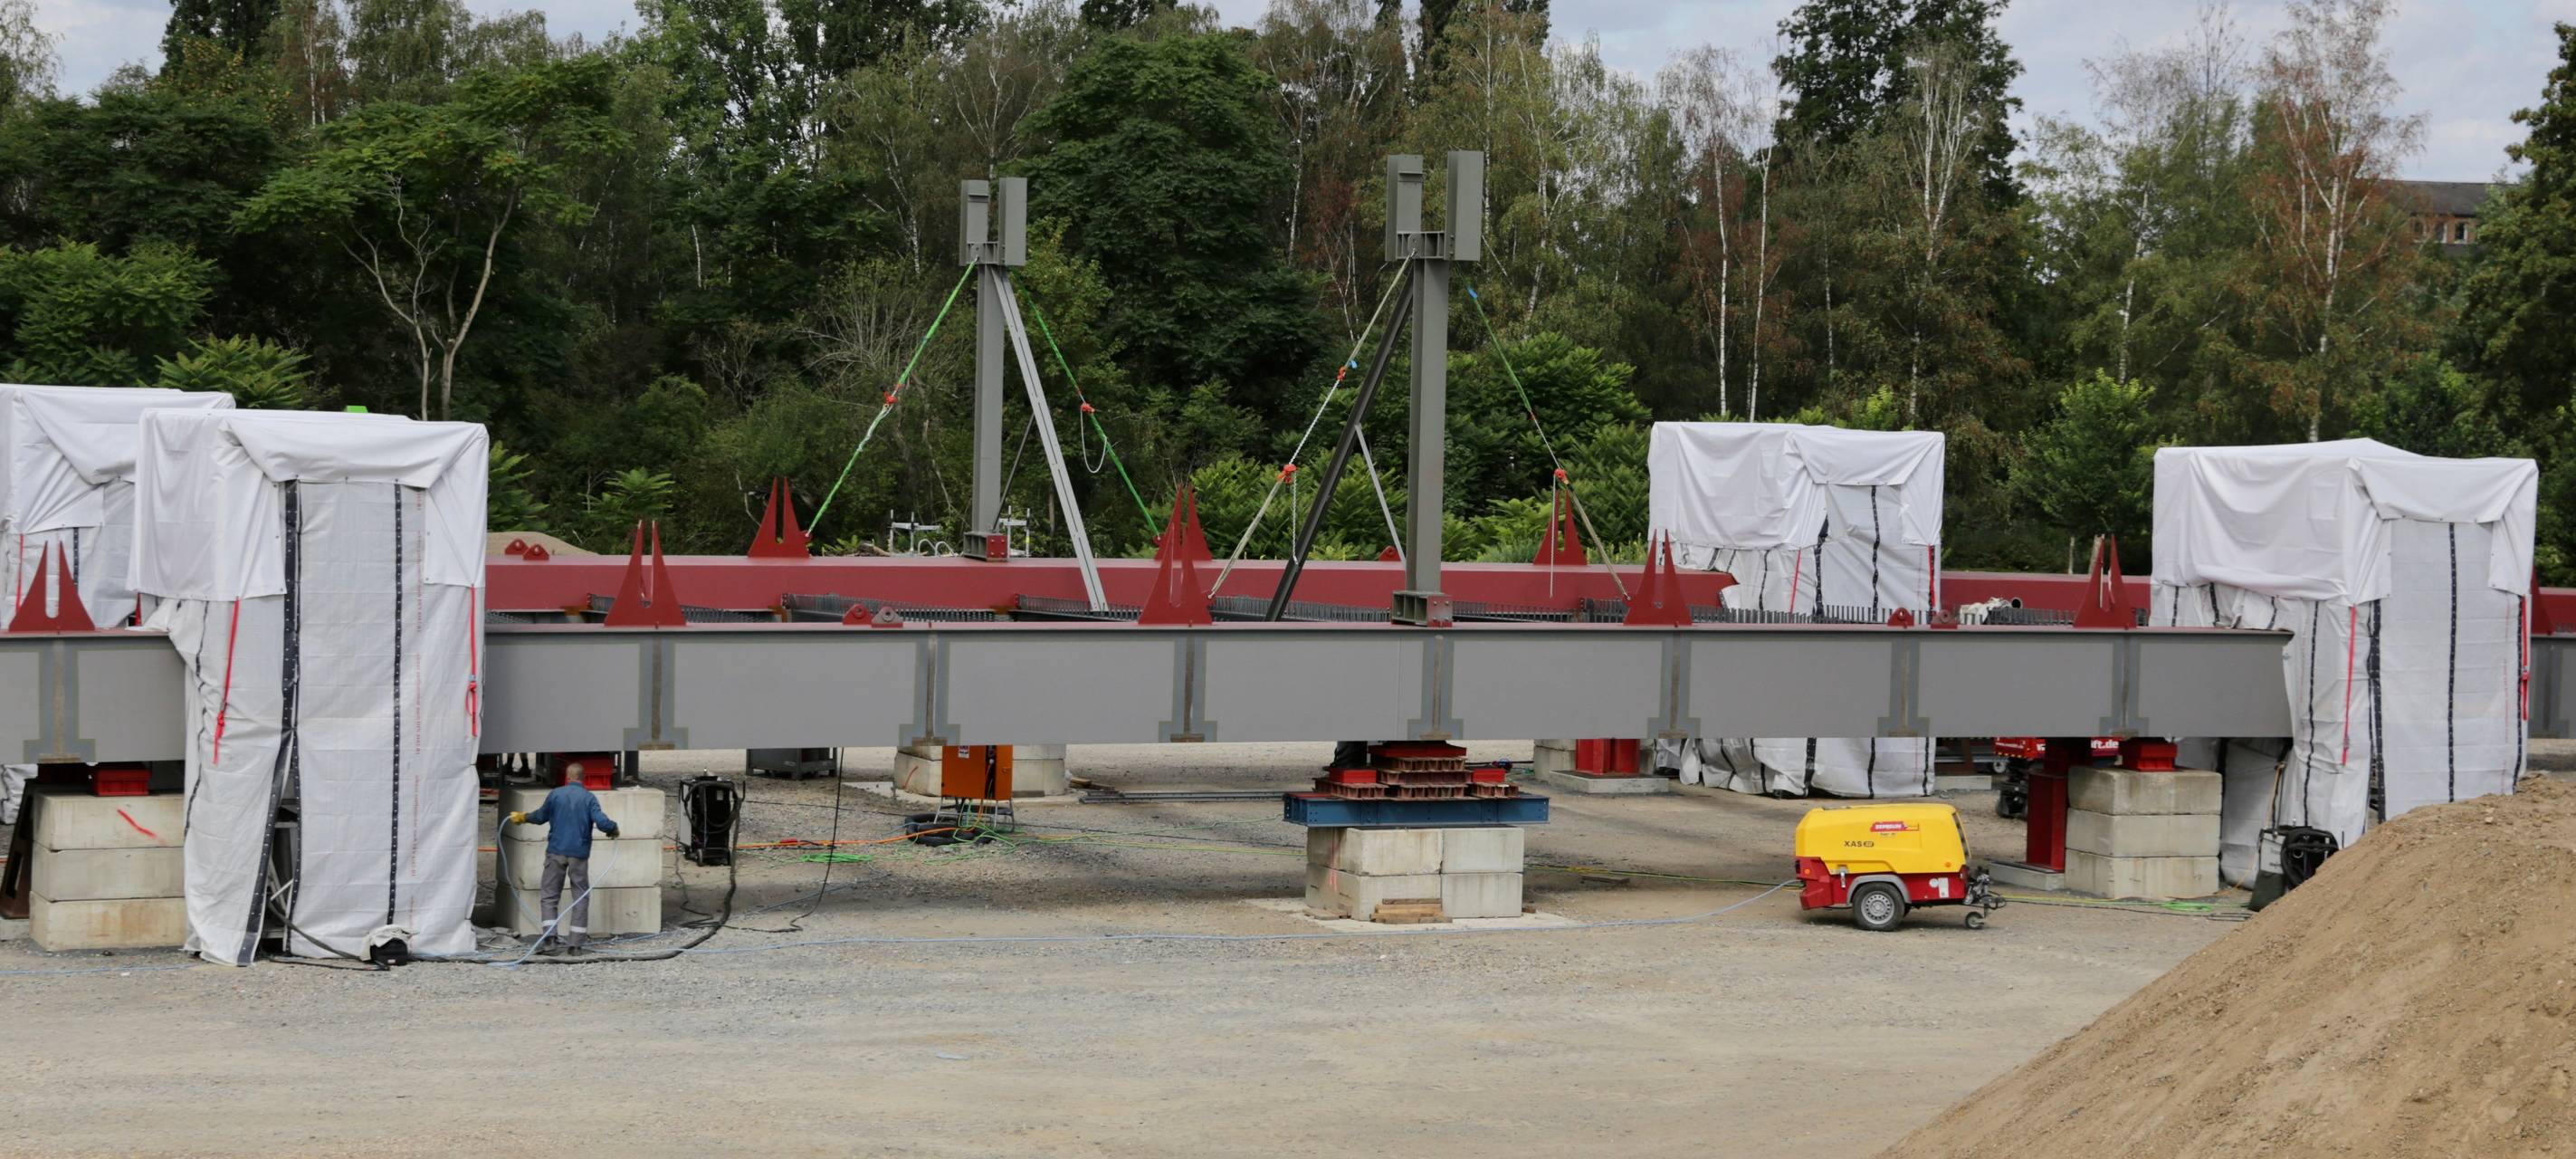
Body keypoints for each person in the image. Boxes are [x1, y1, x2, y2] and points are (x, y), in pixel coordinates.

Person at [507, 780, 621, 953]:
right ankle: (575, 945)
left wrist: (523, 817)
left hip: (556, 852)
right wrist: (613, 829)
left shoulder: (555, 794)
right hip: (579, 855)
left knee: (549, 895)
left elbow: (540, 816)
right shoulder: (589, 798)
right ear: (583, 780)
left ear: (567, 778)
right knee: (581, 897)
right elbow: (602, 822)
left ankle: (550, 941)